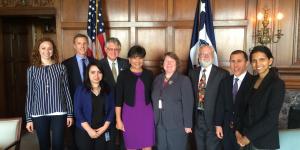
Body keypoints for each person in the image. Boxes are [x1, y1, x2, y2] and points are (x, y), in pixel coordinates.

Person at [25, 37, 73, 150]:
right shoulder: (31, 70)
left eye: (50, 48)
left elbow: (66, 91)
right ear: (38, 50)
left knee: (58, 144)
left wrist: (70, 113)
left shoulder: (61, 68)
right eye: (43, 48)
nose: (47, 51)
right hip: (39, 112)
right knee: (44, 145)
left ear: (53, 50)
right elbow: (30, 94)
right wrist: (28, 118)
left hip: (59, 111)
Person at [236, 45, 285, 150]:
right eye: (254, 60)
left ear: (270, 61)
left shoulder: (277, 84)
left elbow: (271, 118)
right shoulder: (251, 80)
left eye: (262, 59)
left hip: (263, 142)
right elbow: (242, 108)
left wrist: (247, 137)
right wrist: (237, 130)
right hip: (244, 139)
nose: (258, 64)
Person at [188, 44, 229, 150]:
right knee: (199, 147)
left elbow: (225, 101)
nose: (205, 56)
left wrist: (220, 123)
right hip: (197, 119)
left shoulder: (223, 74)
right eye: (202, 54)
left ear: (213, 55)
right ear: (198, 56)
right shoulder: (192, 73)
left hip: (214, 120)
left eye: (208, 54)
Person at [115, 45, 155, 150]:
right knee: (131, 145)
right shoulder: (123, 75)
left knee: (147, 145)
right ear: (129, 59)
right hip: (129, 115)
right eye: (134, 57)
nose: (137, 61)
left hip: (147, 115)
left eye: (140, 57)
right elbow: (118, 100)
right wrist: (118, 120)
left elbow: (154, 95)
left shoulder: (149, 74)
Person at [151, 52, 194, 150]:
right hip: (159, 124)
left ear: (176, 64)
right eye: (167, 61)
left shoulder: (184, 80)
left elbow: (188, 104)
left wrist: (188, 125)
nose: (169, 63)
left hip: (177, 125)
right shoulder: (157, 79)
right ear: (163, 64)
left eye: (172, 61)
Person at [62, 33, 96, 149]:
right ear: (74, 46)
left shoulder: (94, 62)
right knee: (73, 138)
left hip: (92, 105)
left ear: (88, 45)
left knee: (90, 137)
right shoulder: (66, 64)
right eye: (79, 43)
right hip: (73, 105)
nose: (82, 46)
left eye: (84, 43)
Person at [214, 50, 253, 150]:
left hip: (244, 131)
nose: (235, 64)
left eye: (239, 61)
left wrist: (245, 133)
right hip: (226, 130)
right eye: (232, 61)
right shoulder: (225, 81)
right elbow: (220, 104)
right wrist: (218, 124)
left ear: (247, 63)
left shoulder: (254, 82)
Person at [74, 62, 115, 150]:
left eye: (99, 72)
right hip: (84, 131)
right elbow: (78, 111)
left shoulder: (108, 89)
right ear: (87, 74)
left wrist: (104, 128)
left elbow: (112, 109)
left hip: (103, 130)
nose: (96, 75)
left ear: (102, 74)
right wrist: (89, 130)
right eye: (93, 72)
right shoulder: (81, 89)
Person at [99, 37, 130, 150]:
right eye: (110, 49)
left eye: (116, 49)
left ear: (120, 50)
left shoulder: (126, 63)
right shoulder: (99, 64)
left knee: (125, 135)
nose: (113, 51)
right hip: (107, 106)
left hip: (124, 105)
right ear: (105, 49)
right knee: (110, 136)